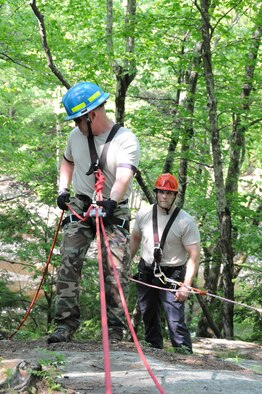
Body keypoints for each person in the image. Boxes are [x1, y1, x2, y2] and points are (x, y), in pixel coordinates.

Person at [48, 81, 140, 344]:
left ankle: (114, 331)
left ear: (92, 115)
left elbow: (124, 176)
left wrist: (110, 201)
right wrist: (63, 190)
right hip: (81, 204)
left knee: (115, 268)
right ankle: (64, 325)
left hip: (113, 207)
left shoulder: (125, 139)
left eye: (78, 120)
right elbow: (67, 161)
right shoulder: (75, 137)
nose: (76, 125)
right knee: (68, 262)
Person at [130, 173, 200, 353]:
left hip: (172, 275)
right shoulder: (144, 214)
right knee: (149, 315)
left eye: (168, 193)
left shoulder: (185, 221)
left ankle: (184, 355)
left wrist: (186, 285)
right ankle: (155, 352)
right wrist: (123, 266)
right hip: (147, 271)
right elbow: (135, 240)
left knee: (174, 320)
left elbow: (194, 255)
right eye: (161, 192)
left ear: (175, 195)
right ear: (156, 193)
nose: (164, 196)